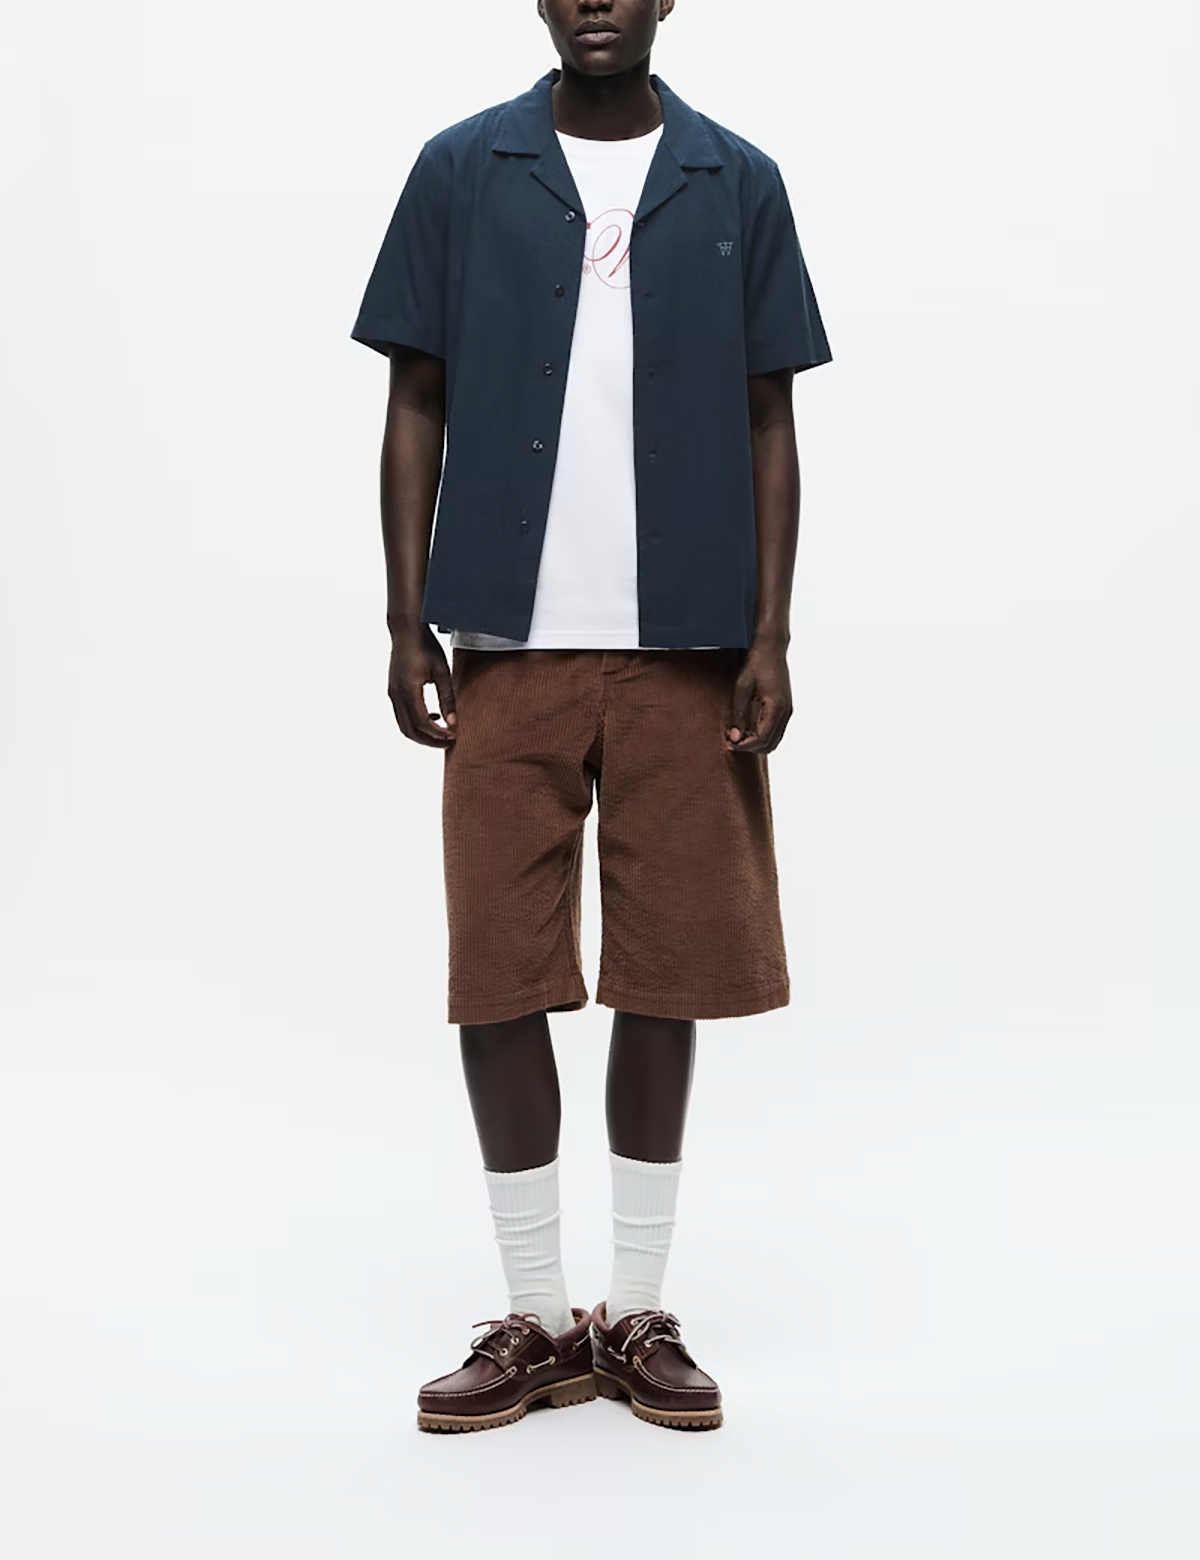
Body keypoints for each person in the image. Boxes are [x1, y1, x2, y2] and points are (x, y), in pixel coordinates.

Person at [350, 0, 831, 1434]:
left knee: (667, 971)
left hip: (687, 644)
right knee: (498, 973)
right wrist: (405, 620)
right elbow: (416, 398)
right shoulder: (462, 168)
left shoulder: (735, 179)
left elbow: (770, 417)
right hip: (507, 644)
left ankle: (637, 1311)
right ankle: (536, 1316)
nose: (598, 1)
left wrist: (769, 632)